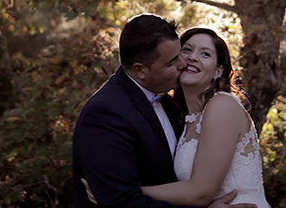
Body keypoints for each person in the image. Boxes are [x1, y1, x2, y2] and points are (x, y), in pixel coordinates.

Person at [72, 14, 255, 208]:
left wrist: (124, 190)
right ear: (140, 70)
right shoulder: (106, 114)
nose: (184, 63)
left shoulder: (172, 105)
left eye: (179, 54)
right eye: (172, 61)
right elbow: (124, 203)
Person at [140, 27, 269, 208]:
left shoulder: (222, 105)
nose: (193, 57)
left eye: (205, 54)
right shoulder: (187, 118)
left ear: (217, 72)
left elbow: (199, 193)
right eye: (187, 50)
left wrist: (127, 191)